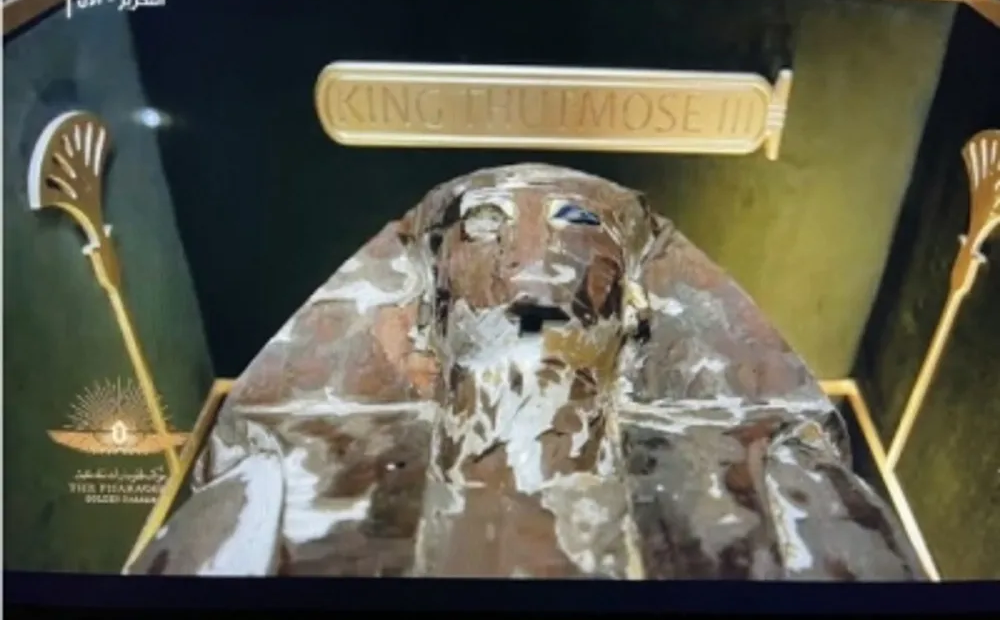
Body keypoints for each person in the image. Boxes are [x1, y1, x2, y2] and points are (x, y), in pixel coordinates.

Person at [127, 164, 923, 580]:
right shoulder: (277, 474)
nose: (531, 252)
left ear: (638, 305)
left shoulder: (778, 476)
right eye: (485, 222)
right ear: (425, 305)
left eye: (577, 220)